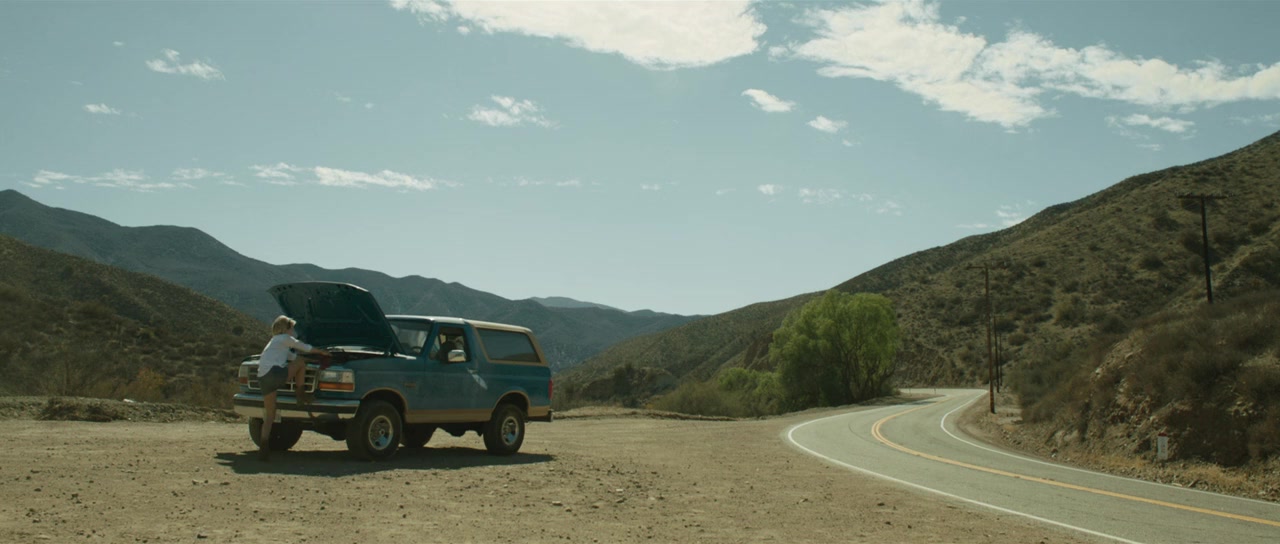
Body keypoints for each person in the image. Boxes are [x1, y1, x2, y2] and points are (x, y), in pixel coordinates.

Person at [256, 315, 329, 461]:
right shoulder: (285, 338)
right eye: (292, 328)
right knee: (301, 363)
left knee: (269, 415)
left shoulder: (275, 342)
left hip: (263, 378)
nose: (293, 331)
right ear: (286, 328)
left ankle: (263, 446)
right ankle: (300, 394)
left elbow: (291, 357)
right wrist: (322, 352)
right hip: (274, 374)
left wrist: (307, 358)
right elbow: (304, 348)